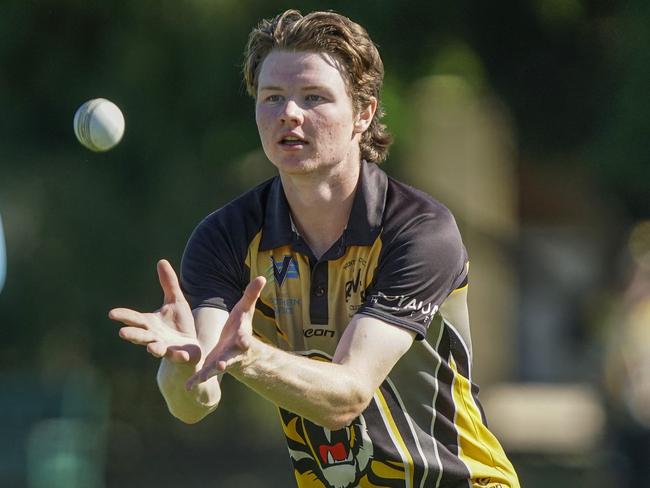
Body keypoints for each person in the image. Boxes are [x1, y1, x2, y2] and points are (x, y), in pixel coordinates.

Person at [109, 9, 519, 488]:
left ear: (363, 113)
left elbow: (347, 395)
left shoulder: (420, 232)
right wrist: (179, 369)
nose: (289, 114)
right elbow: (195, 403)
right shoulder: (225, 237)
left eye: (314, 97)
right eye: (272, 98)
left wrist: (244, 356)